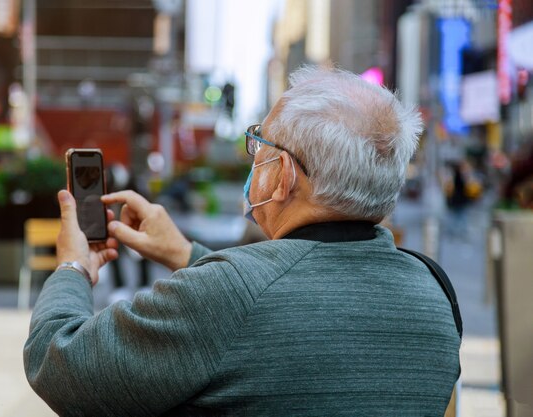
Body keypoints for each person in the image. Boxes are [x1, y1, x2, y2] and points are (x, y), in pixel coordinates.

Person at [24, 66, 461, 416]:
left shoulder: (228, 293)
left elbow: (58, 364)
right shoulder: (435, 291)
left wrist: (73, 268)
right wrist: (186, 255)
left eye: (260, 145)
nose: (254, 159)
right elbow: (292, 303)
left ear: (284, 174)